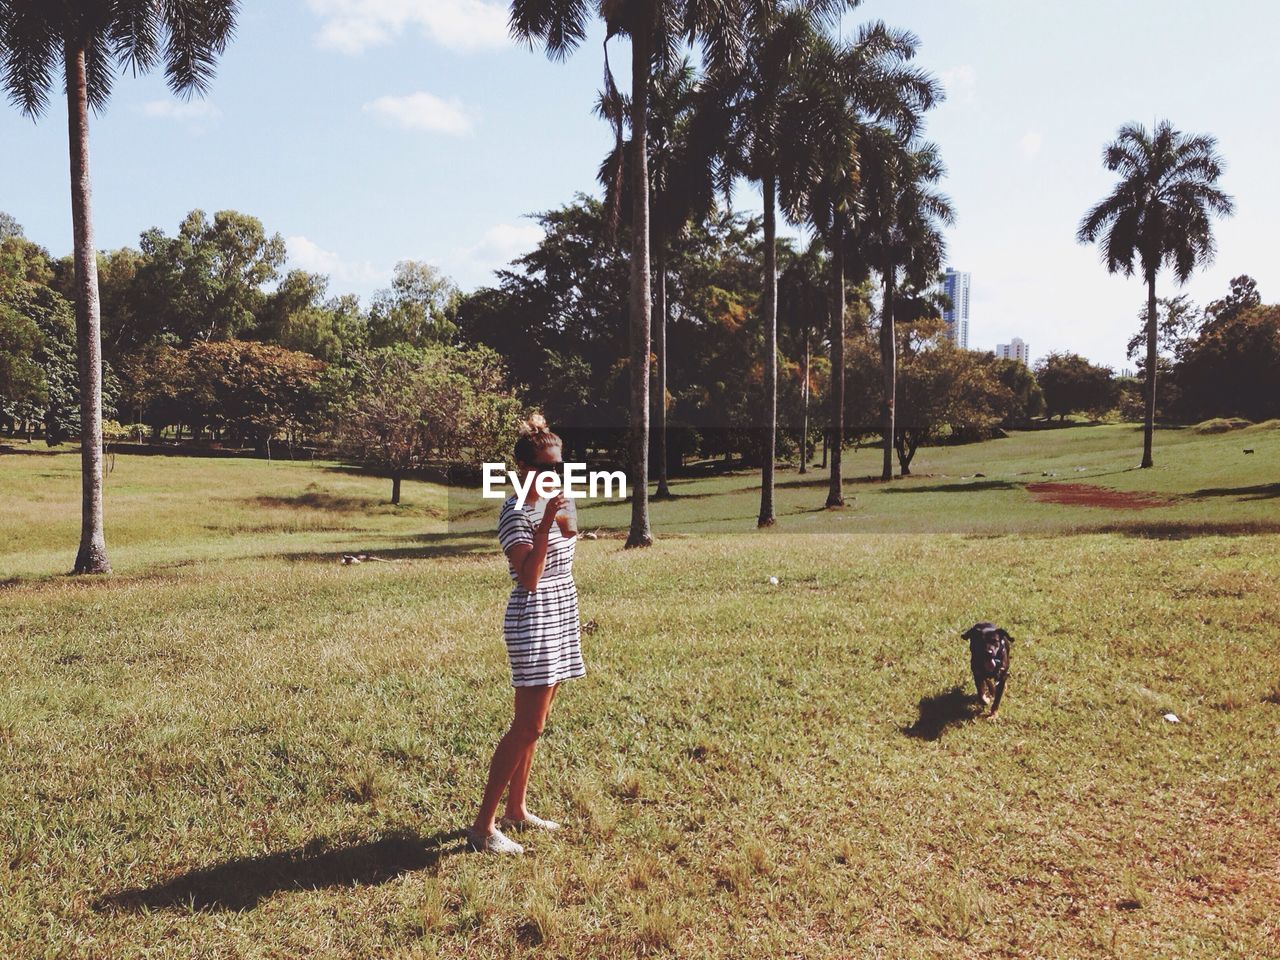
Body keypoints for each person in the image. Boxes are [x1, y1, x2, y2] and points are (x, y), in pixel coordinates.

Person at [467, 414, 585, 854]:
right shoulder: (514, 512)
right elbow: (530, 578)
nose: (555, 475)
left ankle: (516, 810)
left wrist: (559, 512)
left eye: (559, 467)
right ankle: (482, 827)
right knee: (526, 725)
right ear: (523, 469)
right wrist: (543, 522)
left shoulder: (555, 499)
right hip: (533, 615)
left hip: (561, 608)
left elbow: (570, 542)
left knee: (536, 727)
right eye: (545, 468)